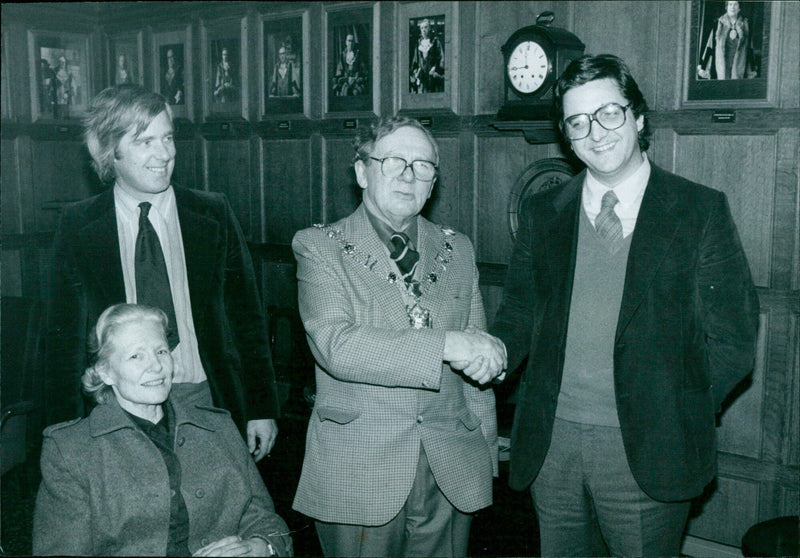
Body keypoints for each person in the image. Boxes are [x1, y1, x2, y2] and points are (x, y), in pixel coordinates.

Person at [490, 54, 759, 556]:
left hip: (650, 446)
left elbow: (735, 340)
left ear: (638, 117)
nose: (596, 132)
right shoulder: (542, 212)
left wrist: (678, 406)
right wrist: (490, 353)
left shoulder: (699, 209)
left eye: (609, 113)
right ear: (567, 137)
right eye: (578, 121)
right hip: (552, 445)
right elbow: (519, 313)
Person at [291, 116, 506, 557]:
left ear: (434, 181)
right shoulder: (321, 246)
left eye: (423, 166)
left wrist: (484, 459)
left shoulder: (458, 248)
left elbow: (476, 371)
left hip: (451, 468)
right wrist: (446, 344)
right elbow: (337, 346)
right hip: (360, 469)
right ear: (361, 171)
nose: (409, 176)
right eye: (394, 162)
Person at [43, 85, 280, 462]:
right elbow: (61, 340)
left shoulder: (213, 213)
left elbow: (247, 318)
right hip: (116, 408)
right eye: (146, 141)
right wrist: (60, 431)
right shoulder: (79, 225)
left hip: (204, 398)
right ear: (110, 150)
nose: (165, 154)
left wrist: (261, 407)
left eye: (168, 138)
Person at [33, 303, 293, 556]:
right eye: (136, 355)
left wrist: (261, 546)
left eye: (161, 352)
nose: (156, 367)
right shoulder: (72, 449)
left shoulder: (218, 427)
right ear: (106, 372)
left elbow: (266, 521)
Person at [697, 1, 755, 80]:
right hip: (722, 67)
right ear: (726, 7)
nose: (732, 7)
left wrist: (751, 70)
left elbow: (749, 49)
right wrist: (704, 67)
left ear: (739, 8)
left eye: (735, 4)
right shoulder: (719, 24)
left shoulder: (745, 25)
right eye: (730, 4)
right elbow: (710, 47)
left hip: (739, 67)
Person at [410, 19, 444, 93]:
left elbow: (441, 59)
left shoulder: (435, 42)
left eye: (425, 27)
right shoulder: (419, 44)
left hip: (433, 78)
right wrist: (416, 72)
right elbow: (415, 61)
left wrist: (435, 68)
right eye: (422, 28)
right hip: (422, 79)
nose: (423, 30)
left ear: (430, 28)